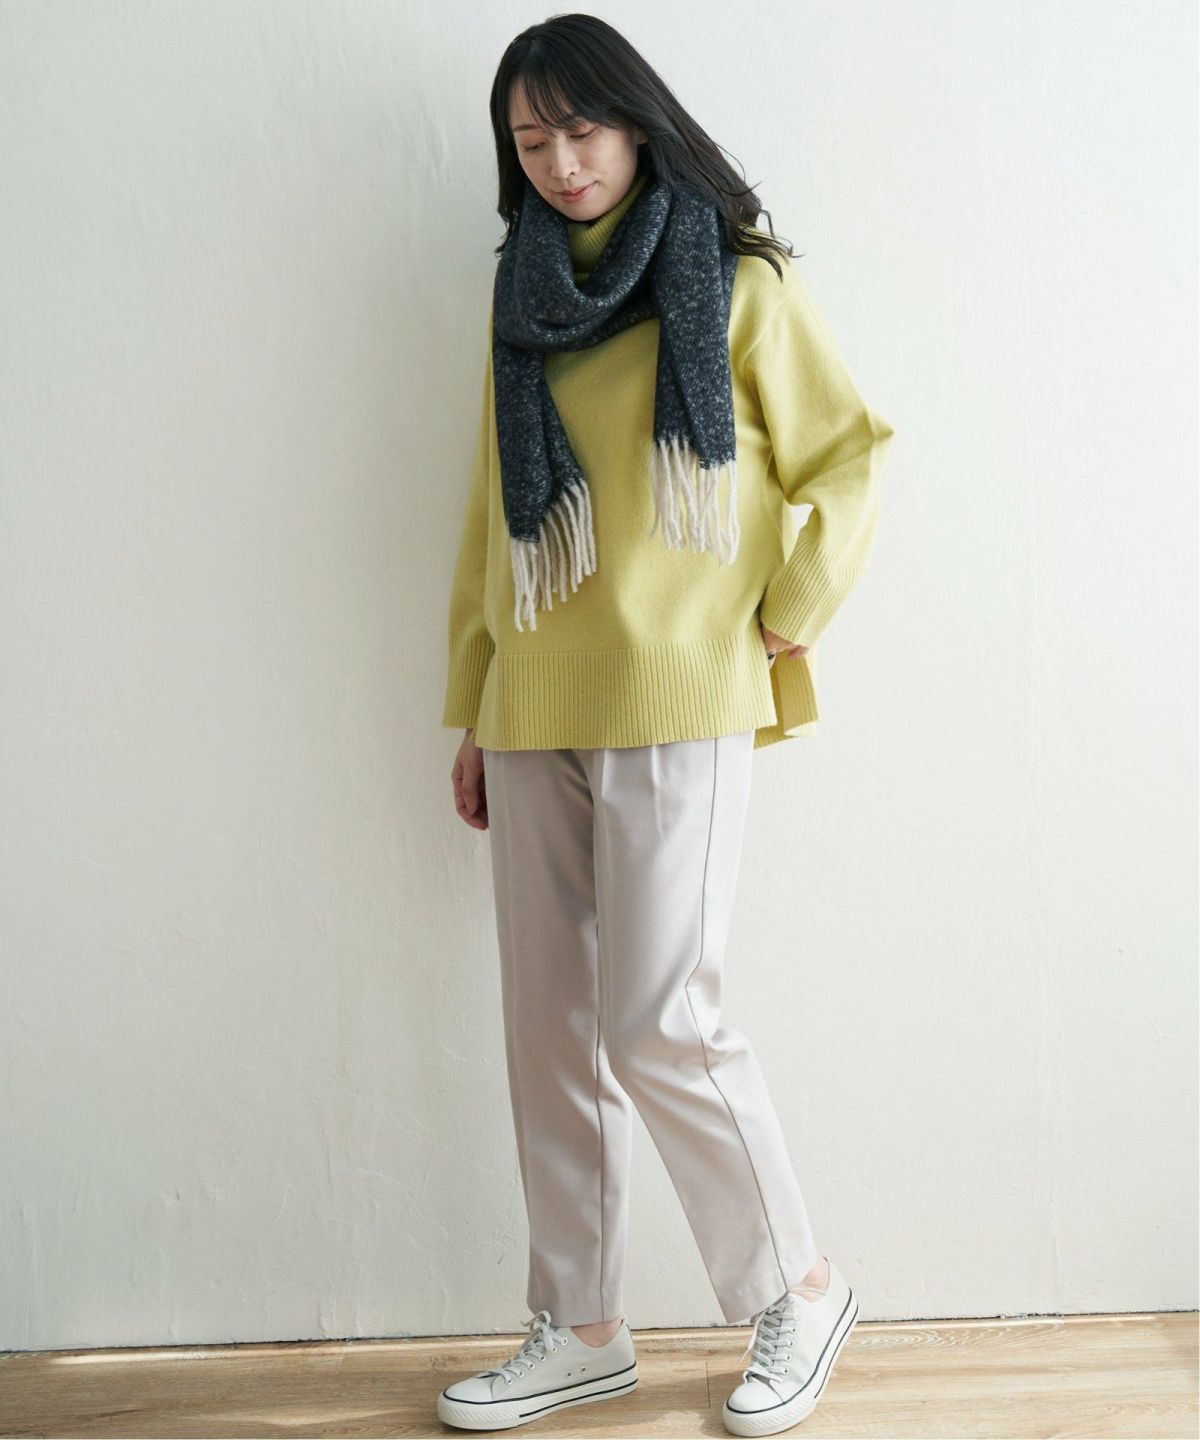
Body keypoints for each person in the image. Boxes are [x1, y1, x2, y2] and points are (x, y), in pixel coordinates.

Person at [436, 15, 894, 1436]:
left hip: (681, 685)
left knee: (661, 1019)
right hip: (537, 698)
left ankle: (799, 1285)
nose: (560, 162)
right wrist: (473, 702)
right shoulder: (520, 294)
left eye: (581, 129)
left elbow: (848, 458)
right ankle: (580, 1325)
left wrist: (791, 610)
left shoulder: (738, 278)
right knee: (547, 1032)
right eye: (530, 140)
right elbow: (488, 518)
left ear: (637, 122)